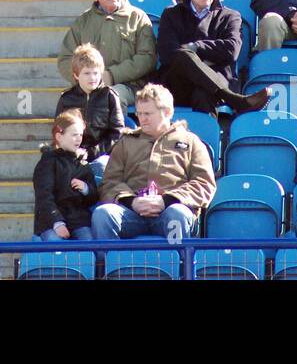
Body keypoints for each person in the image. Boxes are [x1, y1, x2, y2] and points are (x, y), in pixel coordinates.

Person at [90, 83, 216, 241]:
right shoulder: (126, 142)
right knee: (103, 214)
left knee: (177, 214)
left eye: (148, 113)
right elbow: (109, 182)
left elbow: (204, 183)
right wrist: (132, 201)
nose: (142, 119)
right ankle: (110, 265)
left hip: (170, 211)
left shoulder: (191, 142)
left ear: (167, 112)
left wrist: (167, 200)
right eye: (139, 113)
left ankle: (178, 264)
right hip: (132, 213)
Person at [156, 0, 271, 114]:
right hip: (177, 83)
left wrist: (196, 47)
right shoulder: (171, 14)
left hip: (215, 81)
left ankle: (206, 139)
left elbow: (231, 51)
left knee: (203, 93)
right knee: (183, 55)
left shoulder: (231, 16)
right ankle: (235, 99)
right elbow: (167, 53)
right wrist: (201, 54)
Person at [57, 0, 156, 110]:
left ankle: (112, 133)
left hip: (129, 86)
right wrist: (86, 79)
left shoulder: (138, 18)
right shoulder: (83, 22)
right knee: (68, 100)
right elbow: (65, 59)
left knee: (111, 98)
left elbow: (147, 58)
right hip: (88, 85)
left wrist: (111, 76)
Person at [55, 45, 123, 181]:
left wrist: (92, 153)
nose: (92, 78)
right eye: (87, 73)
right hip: (73, 154)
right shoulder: (66, 99)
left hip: (102, 155)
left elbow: (117, 133)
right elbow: (59, 132)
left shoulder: (110, 96)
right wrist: (73, 152)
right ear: (76, 75)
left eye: (96, 73)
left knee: (99, 167)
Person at [32, 109, 98, 242]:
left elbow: (93, 197)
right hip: (51, 223)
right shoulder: (48, 162)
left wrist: (86, 188)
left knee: (92, 248)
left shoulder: (83, 164)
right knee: (56, 247)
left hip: (78, 221)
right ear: (59, 136)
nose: (79, 139)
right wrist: (57, 222)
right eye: (74, 135)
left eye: (80, 135)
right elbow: (44, 196)